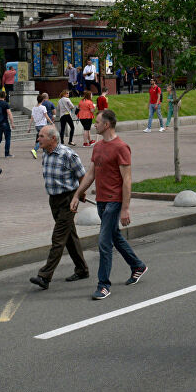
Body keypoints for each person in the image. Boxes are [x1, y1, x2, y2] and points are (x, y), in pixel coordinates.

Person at [72, 109, 146, 301]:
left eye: (97, 122)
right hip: (101, 200)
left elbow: (127, 180)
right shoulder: (97, 147)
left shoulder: (121, 147)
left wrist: (125, 208)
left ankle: (103, 285)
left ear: (106, 125)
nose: (94, 125)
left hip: (114, 200)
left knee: (104, 242)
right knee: (114, 236)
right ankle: (137, 266)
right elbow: (90, 174)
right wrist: (77, 194)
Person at [28, 125, 89, 290]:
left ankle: (45, 276)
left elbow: (83, 176)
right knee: (69, 236)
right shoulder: (46, 154)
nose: (38, 139)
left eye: (41, 136)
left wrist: (79, 194)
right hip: (54, 200)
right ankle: (82, 269)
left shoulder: (67, 154)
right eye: (38, 136)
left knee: (58, 238)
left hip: (68, 199)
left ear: (52, 138)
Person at [30, 93, 53, 158]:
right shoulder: (43, 107)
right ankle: (34, 150)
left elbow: (32, 118)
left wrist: (29, 127)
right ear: (42, 100)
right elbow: (47, 116)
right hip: (42, 125)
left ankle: (45, 153)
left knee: (43, 138)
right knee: (44, 139)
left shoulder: (34, 108)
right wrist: (51, 123)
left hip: (37, 126)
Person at [0, 93, 14, 158]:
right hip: (5, 123)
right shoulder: (6, 104)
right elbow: (9, 114)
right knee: (7, 138)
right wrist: (12, 123)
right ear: (5, 97)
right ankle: (7, 154)